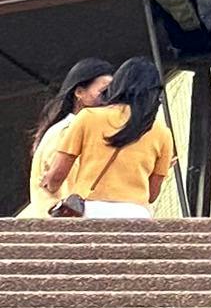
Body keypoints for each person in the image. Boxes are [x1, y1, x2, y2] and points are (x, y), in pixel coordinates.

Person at [33, 59, 173, 219]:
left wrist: (48, 183)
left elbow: (57, 176)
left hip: (92, 210)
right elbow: (152, 194)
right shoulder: (163, 133)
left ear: (118, 85)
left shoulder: (88, 118)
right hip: (137, 213)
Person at [22, 59, 113, 215]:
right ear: (79, 92)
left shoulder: (88, 130)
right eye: (104, 92)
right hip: (68, 226)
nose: (110, 99)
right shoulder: (64, 132)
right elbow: (69, 190)